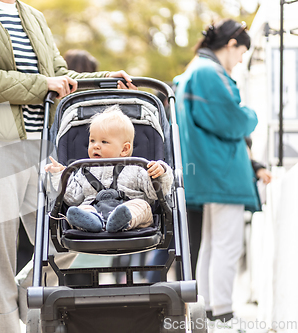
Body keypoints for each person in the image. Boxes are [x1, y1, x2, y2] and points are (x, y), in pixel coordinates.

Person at [0, 1, 135, 332]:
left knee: (63, 238)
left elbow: (60, 76)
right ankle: (4, 323)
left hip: (42, 145)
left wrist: (102, 79)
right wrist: (40, 85)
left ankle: (23, 292)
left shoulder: (33, 16)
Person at [173, 19, 258, 324]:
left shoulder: (193, 70)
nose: (239, 62)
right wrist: (251, 115)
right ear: (232, 44)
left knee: (210, 242)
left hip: (206, 170)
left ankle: (208, 310)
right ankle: (223, 312)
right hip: (221, 172)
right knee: (227, 242)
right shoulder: (210, 72)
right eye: (241, 54)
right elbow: (232, 120)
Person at [45, 106, 173, 233]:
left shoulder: (136, 168)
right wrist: (60, 174)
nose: (95, 146)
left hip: (128, 207)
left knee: (141, 206)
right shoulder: (84, 170)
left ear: (124, 149)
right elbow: (73, 198)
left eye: (104, 142)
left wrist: (160, 172)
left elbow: (154, 193)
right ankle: (91, 221)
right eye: (92, 140)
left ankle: (123, 220)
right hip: (94, 209)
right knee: (81, 208)